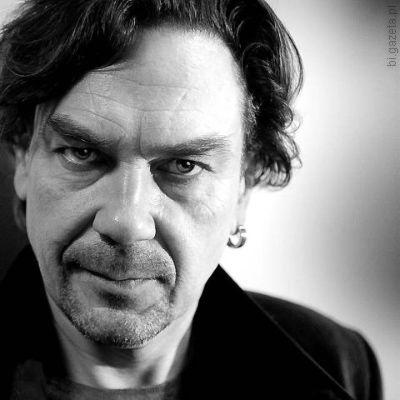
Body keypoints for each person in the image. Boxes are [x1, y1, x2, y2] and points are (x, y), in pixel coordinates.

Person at [0, 0, 382, 399]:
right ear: (23, 156)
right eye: (82, 153)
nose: (127, 221)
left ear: (243, 186)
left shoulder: (338, 365)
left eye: (184, 165)